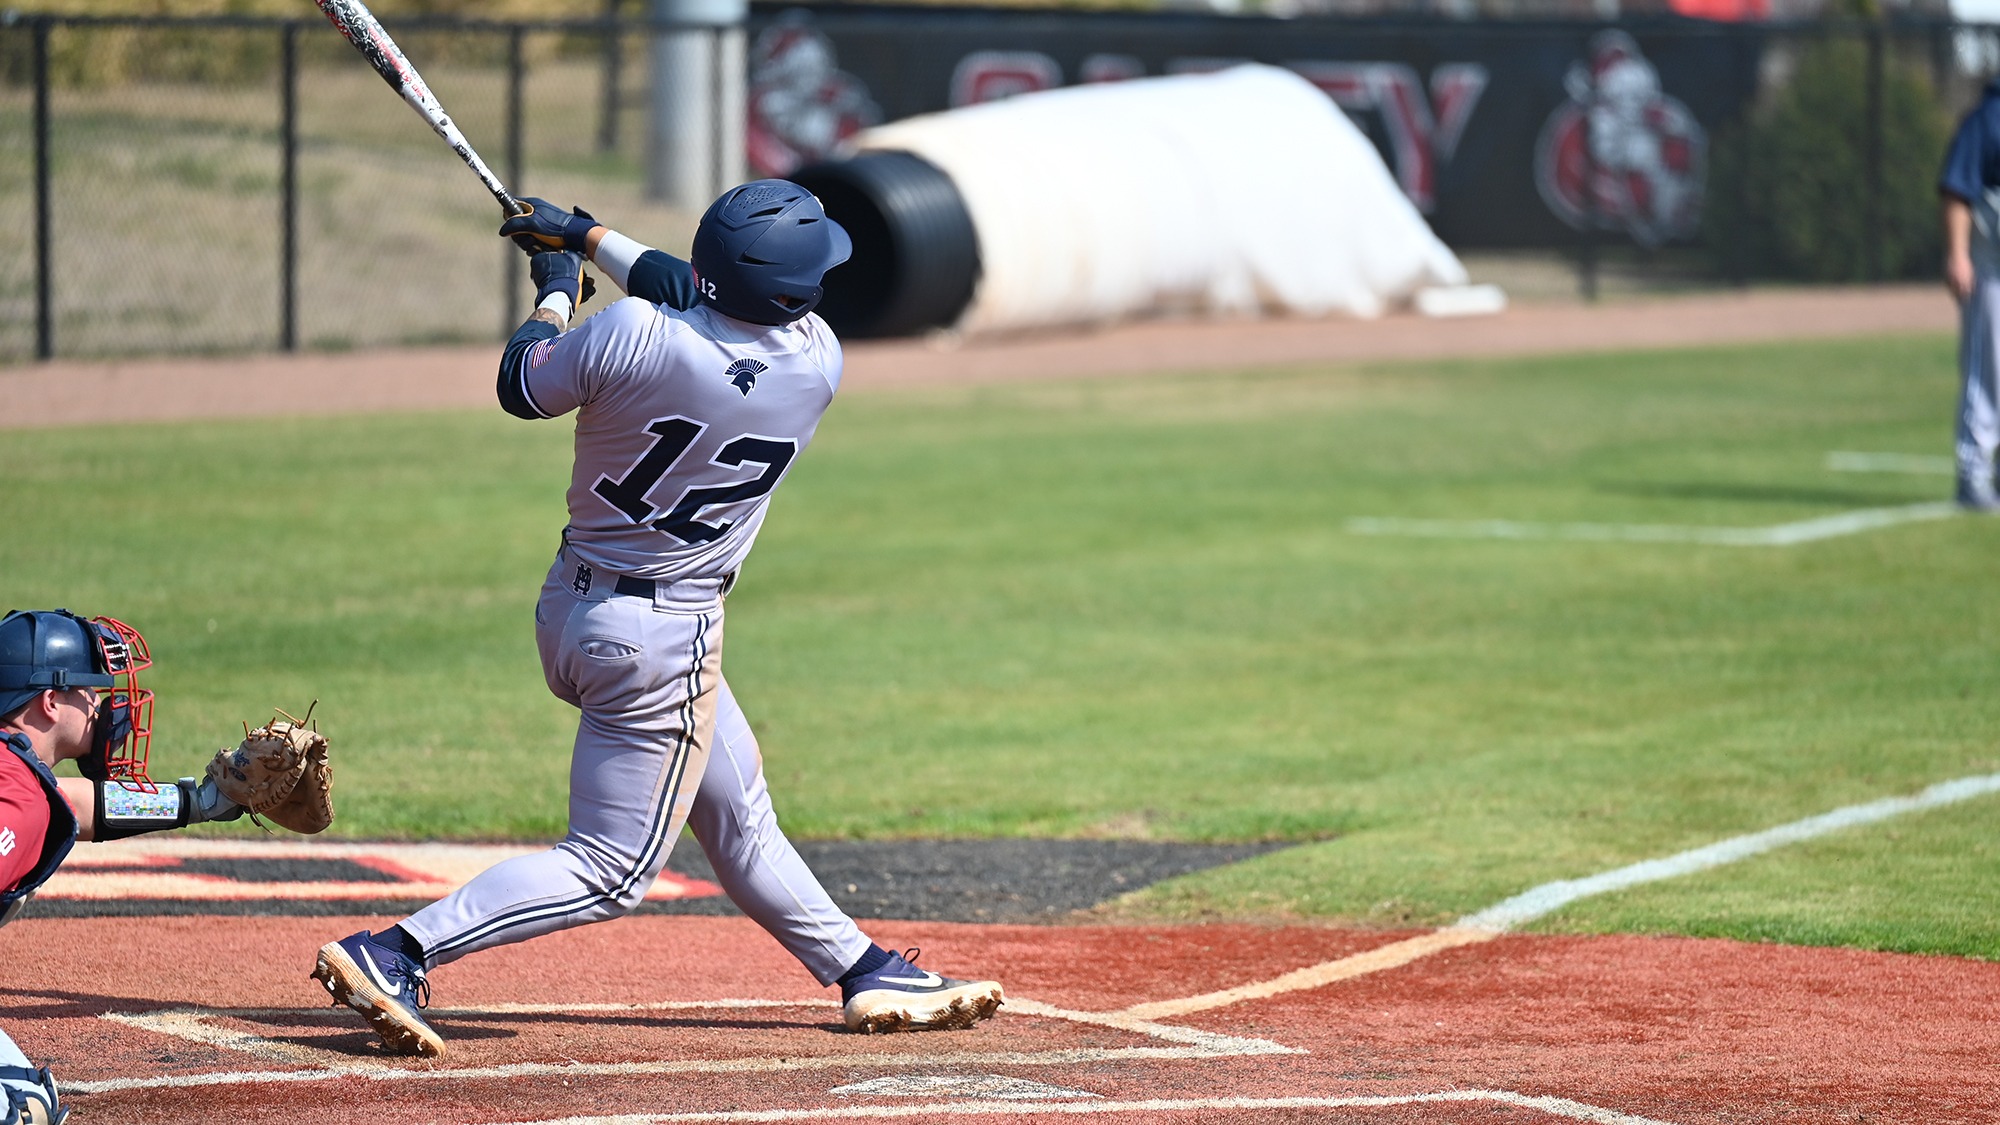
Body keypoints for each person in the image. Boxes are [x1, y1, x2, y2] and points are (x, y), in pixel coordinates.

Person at [310, 182, 1003, 1058]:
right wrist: (589, 235)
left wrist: (559, 284)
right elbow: (701, 294)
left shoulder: (626, 334)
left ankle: (862, 968)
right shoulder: (816, 362)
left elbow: (523, 385)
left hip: (573, 609)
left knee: (738, 811)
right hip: (663, 640)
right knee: (612, 867)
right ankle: (396, 951)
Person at [0, 608, 248, 1123]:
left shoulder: (17, 776)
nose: (102, 704)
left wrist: (201, 802)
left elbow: (77, 807)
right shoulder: (18, 798)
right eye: (91, 691)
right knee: (19, 1107)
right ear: (50, 702)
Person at [1941, 79, 2000, 513]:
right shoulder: (1990, 117)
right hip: (1991, 258)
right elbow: (1959, 187)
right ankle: (1973, 471)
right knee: (1988, 363)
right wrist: (1959, 254)